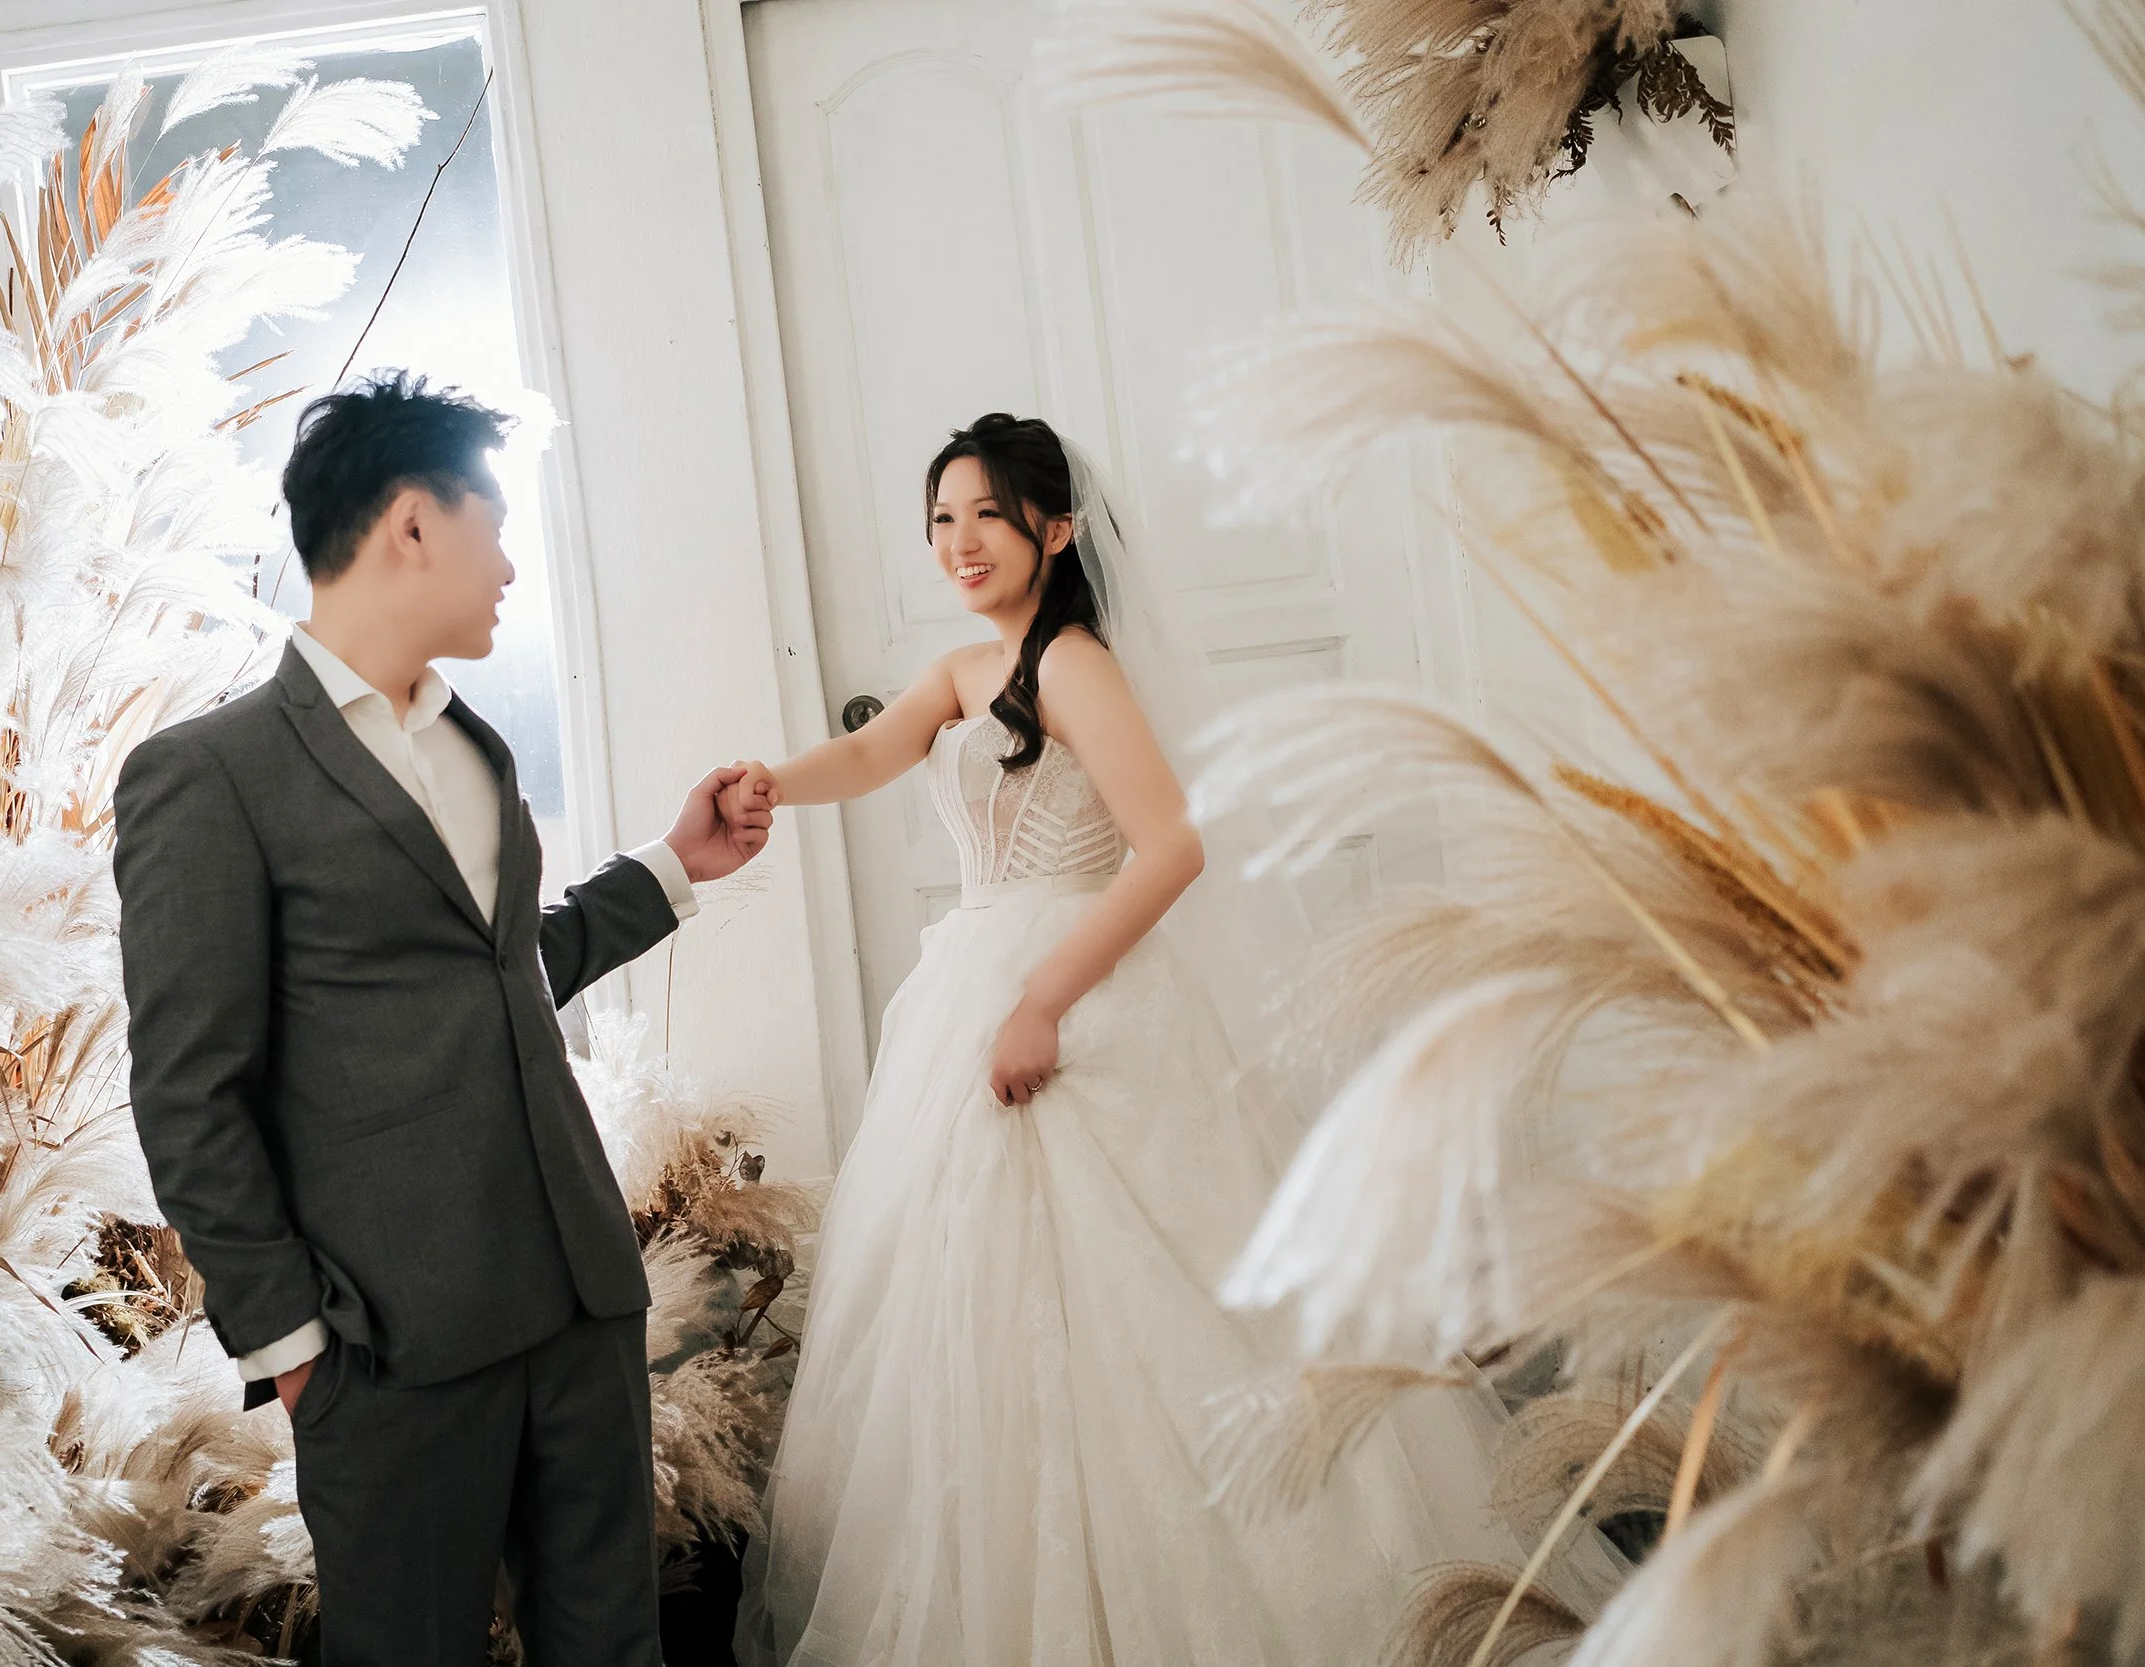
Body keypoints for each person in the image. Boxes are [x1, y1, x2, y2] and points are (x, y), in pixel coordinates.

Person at [727, 414, 1573, 1665]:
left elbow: (1172, 845)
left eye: (988, 516)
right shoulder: (969, 669)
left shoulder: (1073, 665)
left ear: (1054, 530)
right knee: (976, 1312)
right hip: (973, 979)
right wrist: (766, 784)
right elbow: (867, 750)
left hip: (1073, 992)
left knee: (1131, 1312)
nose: (959, 541)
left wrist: (1043, 999)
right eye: (941, 518)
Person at [112, 371, 770, 1666]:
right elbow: (190, 1094)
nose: (513, 563)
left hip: (579, 1301)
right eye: (498, 523)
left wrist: (678, 864)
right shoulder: (206, 775)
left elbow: (506, 971)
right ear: (413, 524)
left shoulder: (478, 746)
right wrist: (296, 1346)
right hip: (392, 1346)